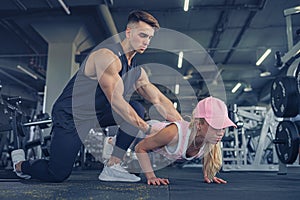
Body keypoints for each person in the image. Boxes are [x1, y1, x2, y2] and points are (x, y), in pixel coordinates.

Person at [11, 10, 182, 183]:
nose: (146, 41)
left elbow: (158, 99)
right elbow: (116, 101)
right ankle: (20, 164)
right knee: (57, 173)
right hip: (71, 116)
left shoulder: (136, 70)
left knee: (136, 108)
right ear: (129, 33)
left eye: (150, 37)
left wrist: (183, 128)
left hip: (97, 115)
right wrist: (146, 129)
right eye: (142, 35)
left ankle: (113, 164)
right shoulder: (107, 57)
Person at [134, 96, 237, 185]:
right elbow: (140, 148)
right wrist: (151, 177)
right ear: (199, 124)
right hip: (137, 134)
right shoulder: (173, 133)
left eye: (223, 127)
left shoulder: (210, 139)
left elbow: (207, 155)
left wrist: (208, 176)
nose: (221, 133)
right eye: (215, 127)